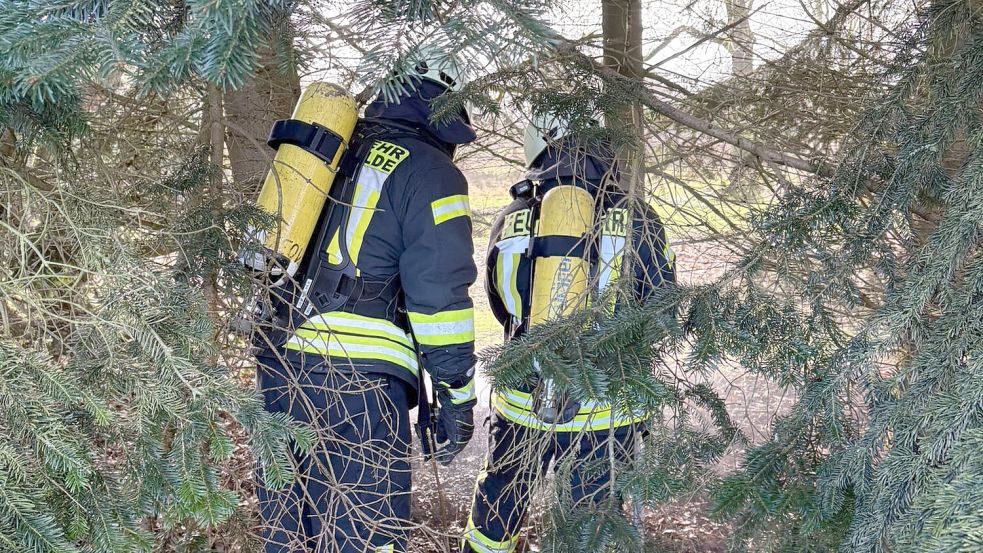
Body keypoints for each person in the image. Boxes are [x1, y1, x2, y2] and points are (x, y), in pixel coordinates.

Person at [254, 45, 479, 553]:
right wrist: (457, 399)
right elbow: (439, 297)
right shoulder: (431, 172)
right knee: (363, 533)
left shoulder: (333, 148)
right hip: (356, 383)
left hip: (279, 358)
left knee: (289, 530)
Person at [461, 113, 676, 553]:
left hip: (523, 400)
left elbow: (502, 303)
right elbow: (663, 309)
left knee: (497, 511)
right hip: (606, 407)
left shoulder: (514, 215)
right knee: (590, 529)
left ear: (537, 144)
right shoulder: (638, 216)